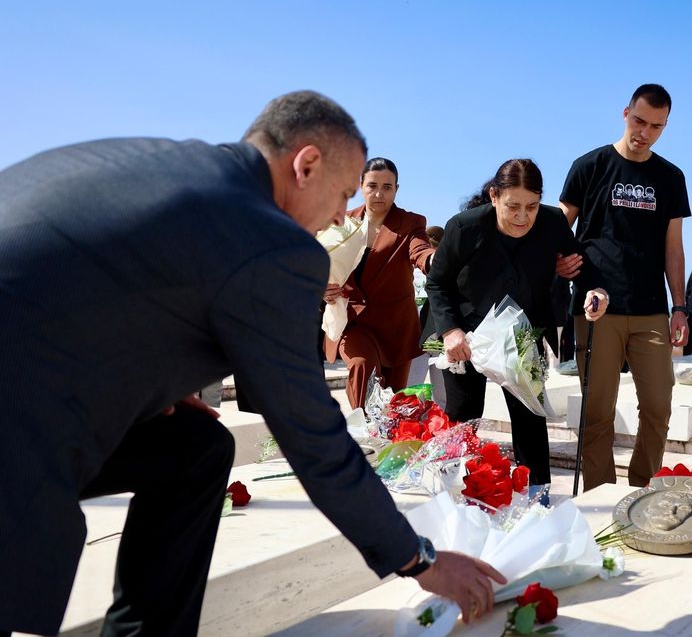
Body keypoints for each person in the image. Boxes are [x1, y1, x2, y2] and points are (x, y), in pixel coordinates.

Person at [0, 91, 504, 637]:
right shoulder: (272, 243)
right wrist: (419, 559)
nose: (341, 215)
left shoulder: (154, 163)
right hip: (19, 428)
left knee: (193, 447)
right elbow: (310, 432)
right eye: (342, 193)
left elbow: (77, 279)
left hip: (32, 372)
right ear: (305, 165)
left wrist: (153, 387)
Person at [424, 158, 608, 489]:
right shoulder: (464, 227)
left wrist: (596, 291)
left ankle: (538, 497)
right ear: (494, 196)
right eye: (512, 206)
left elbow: (582, 267)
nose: (522, 217)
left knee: (530, 417)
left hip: (524, 331)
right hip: (466, 330)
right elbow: (437, 283)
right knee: (463, 415)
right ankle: (455, 494)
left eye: (531, 206)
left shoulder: (552, 222)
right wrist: (450, 331)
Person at [558, 83, 691, 491]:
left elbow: (673, 248)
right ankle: (599, 496)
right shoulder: (589, 165)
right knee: (598, 411)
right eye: (639, 121)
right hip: (597, 307)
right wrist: (560, 262)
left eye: (656, 126)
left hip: (650, 308)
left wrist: (680, 307)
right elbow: (559, 228)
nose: (644, 132)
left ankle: (643, 492)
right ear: (625, 113)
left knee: (658, 407)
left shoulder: (671, 177)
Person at [323, 157, 435, 408]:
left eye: (387, 187)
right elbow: (319, 264)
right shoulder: (341, 222)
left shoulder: (410, 223)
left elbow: (420, 251)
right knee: (362, 366)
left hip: (396, 327)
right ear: (361, 186)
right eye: (372, 186)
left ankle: (380, 432)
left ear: (396, 189)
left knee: (395, 405)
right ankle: (362, 427)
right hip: (353, 321)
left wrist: (433, 261)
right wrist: (322, 288)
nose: (379, 194)